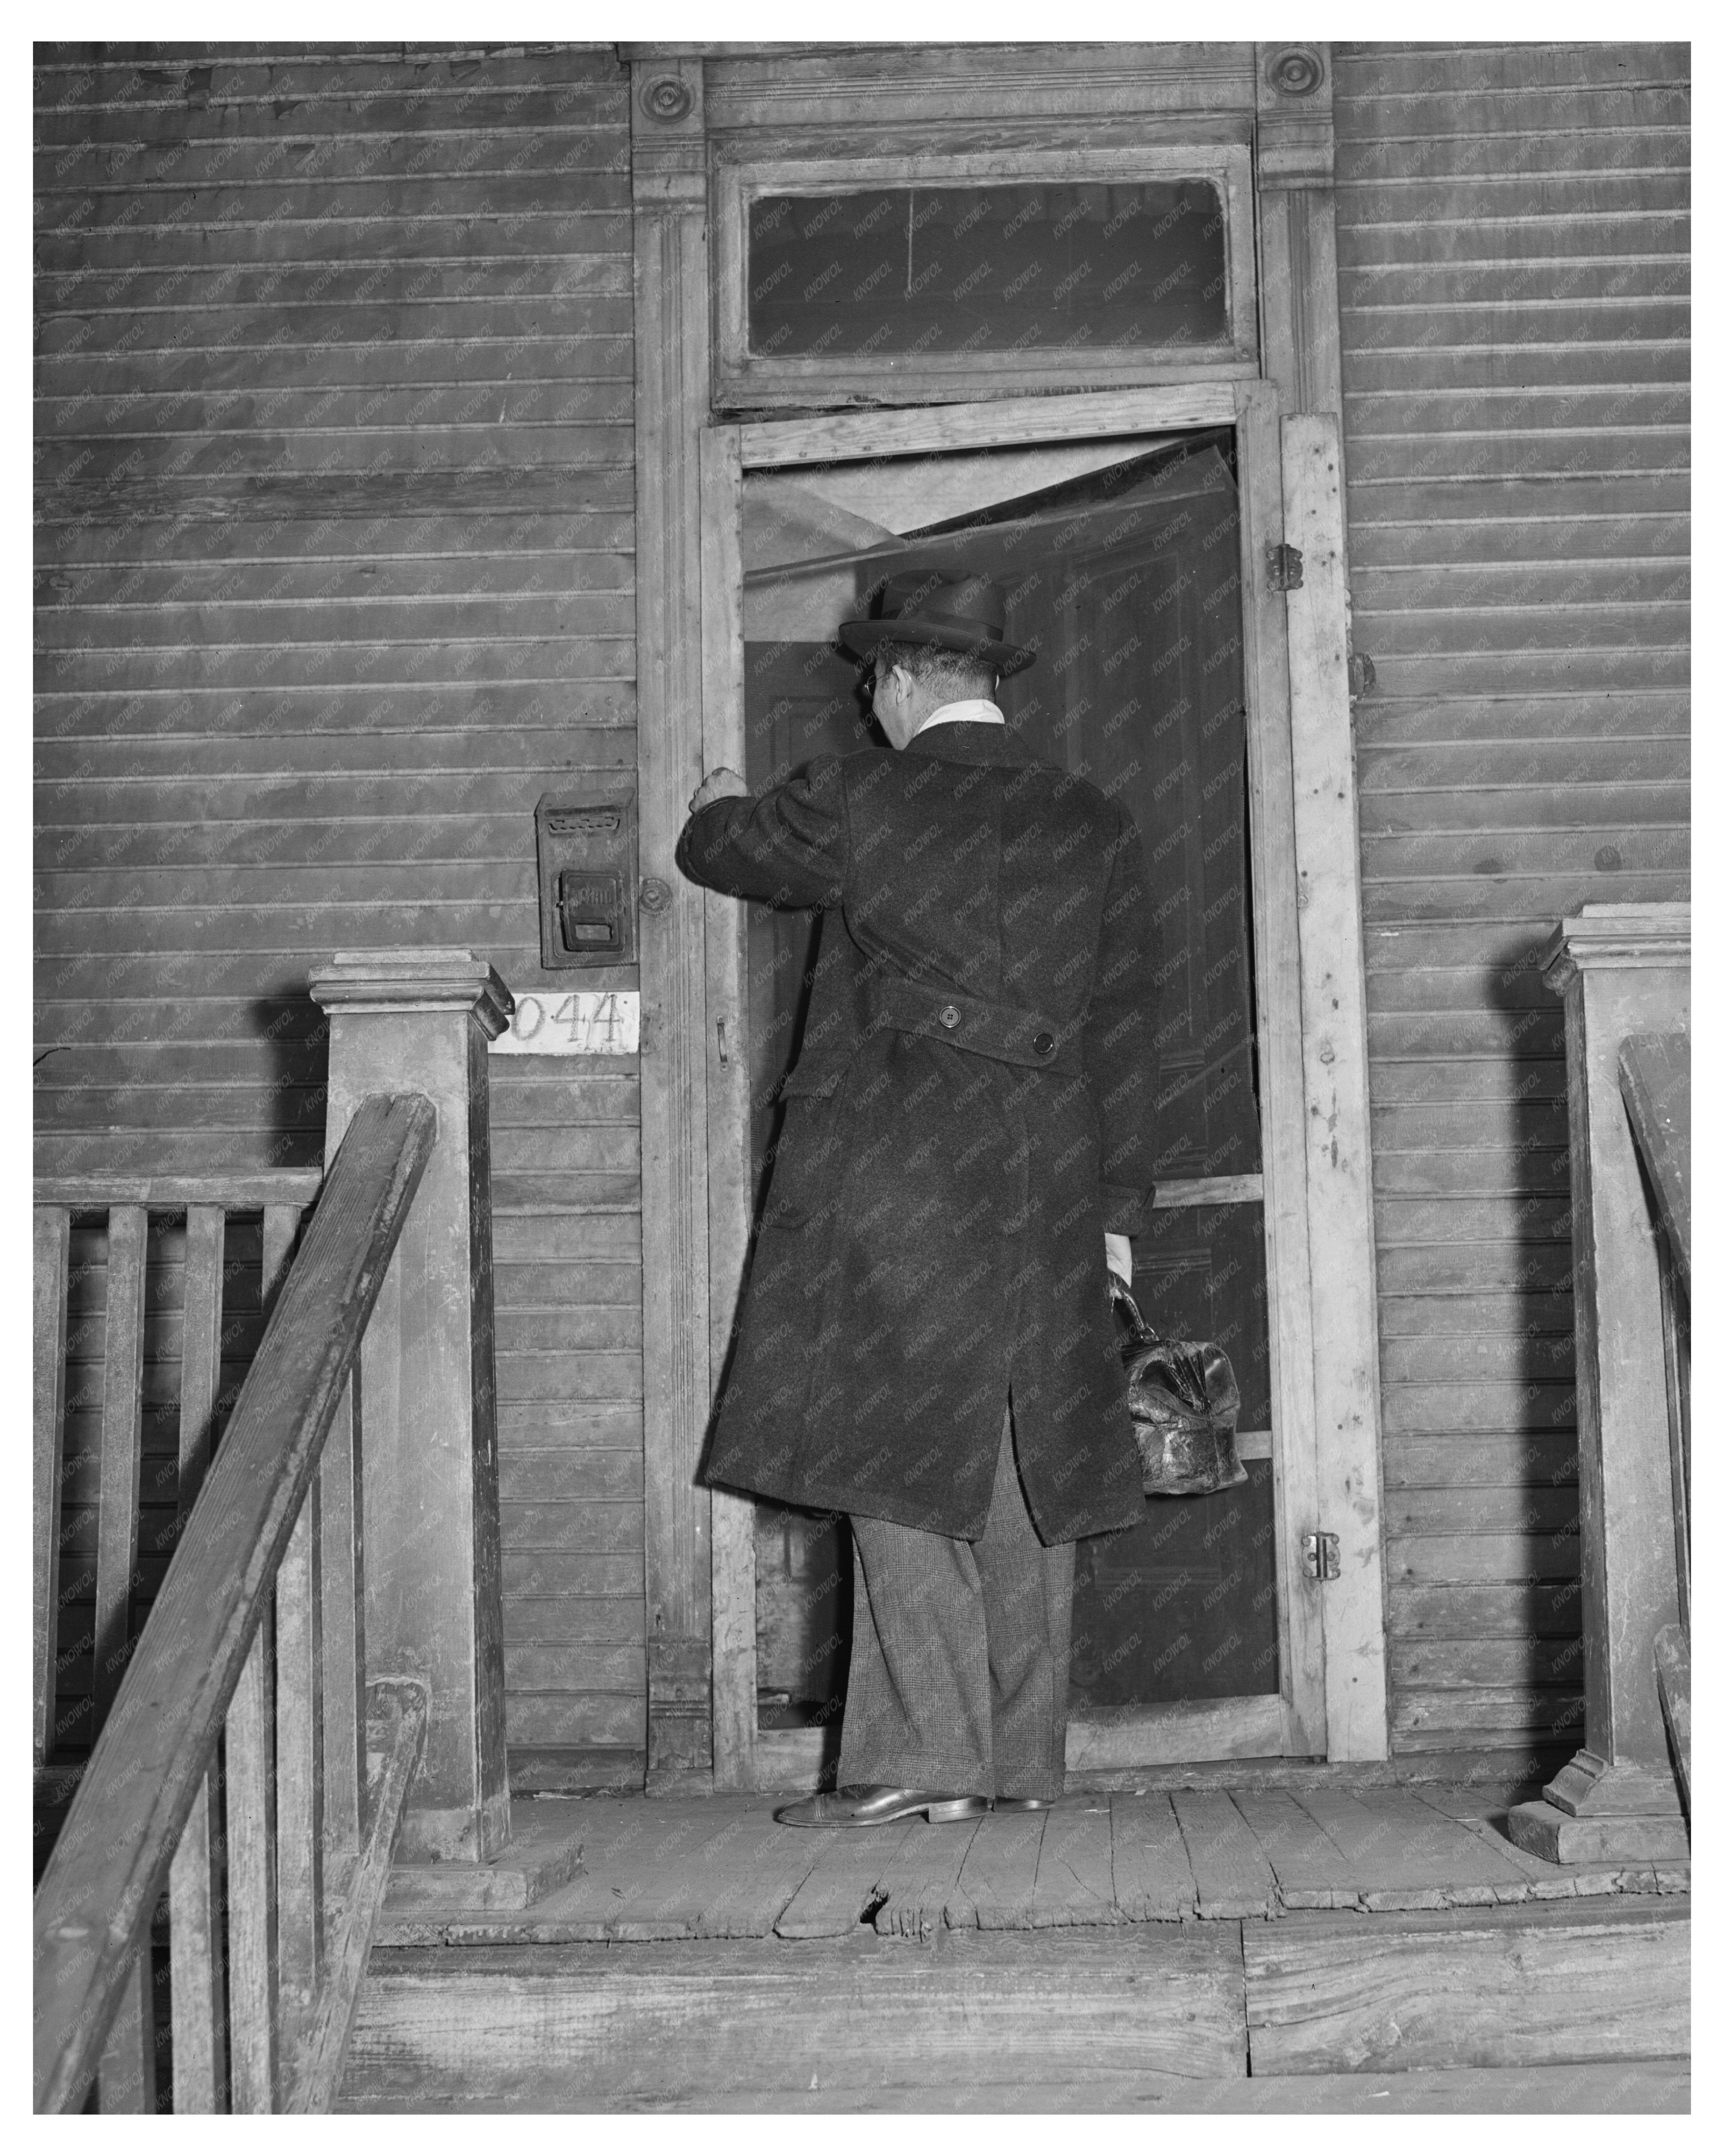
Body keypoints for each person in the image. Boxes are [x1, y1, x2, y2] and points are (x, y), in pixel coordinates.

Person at [676, 570, 1160, 1827]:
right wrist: (1114, 1221)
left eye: (871, 688)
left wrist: (714, 794)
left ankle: (915, 1764)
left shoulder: (858, 795)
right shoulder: (1094, 821)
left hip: (896, 1160)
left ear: (896, 680)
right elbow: (1131, 1033)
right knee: (1024, 1454)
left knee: (892, 1451)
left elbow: (719, 853)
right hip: (1052, 1160)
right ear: (989, 680)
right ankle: (1017, 1765)